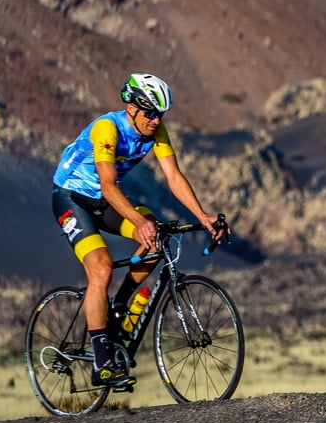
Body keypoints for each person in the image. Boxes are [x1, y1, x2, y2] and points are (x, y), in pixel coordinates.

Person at [51, 73, 226, 391]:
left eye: (160, 114)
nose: (155, 120)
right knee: (101, 268)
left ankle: (119, 303)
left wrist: (202, 215)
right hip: (72, 199)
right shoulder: (108, 128)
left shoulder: (157, 130)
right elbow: (107, 183)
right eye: (149, 113)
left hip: (105, 202)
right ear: (130, 107)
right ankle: (101, 363)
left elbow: (173, 177)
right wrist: (138, 221)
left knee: (158, 237)